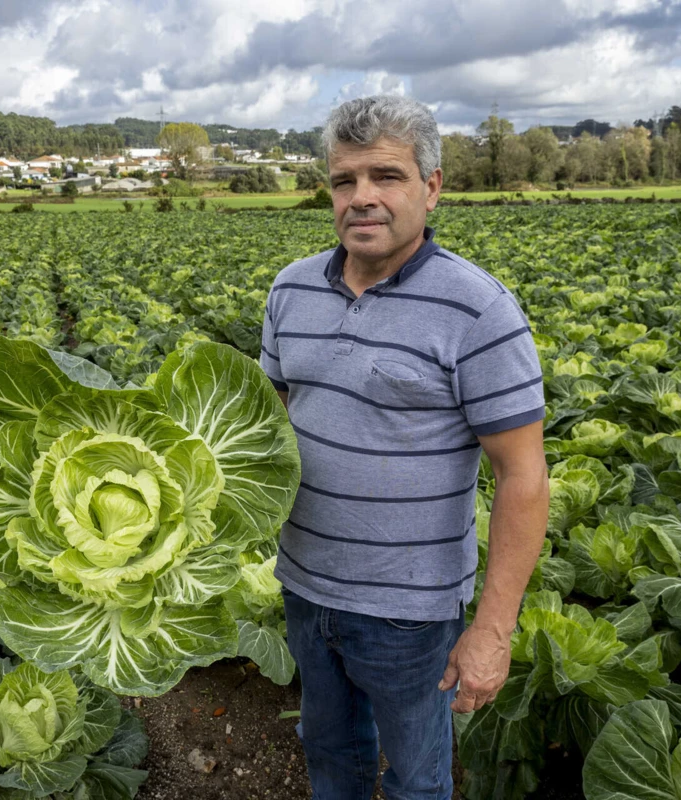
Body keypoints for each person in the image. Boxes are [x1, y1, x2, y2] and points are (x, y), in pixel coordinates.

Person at [260, 95, 550, 799]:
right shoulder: (291, 290)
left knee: (418, 778)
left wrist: (492, 631)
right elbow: (263, 429)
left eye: (385, 176)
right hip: (304, 586)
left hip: (409, 613)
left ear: (432, 186)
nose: (362, 198)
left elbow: (524, 477)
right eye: (343, 180)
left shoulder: (478, 310)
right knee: (328, 751)